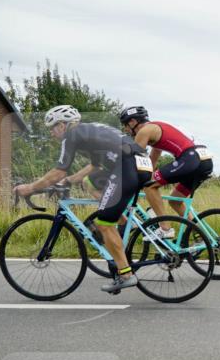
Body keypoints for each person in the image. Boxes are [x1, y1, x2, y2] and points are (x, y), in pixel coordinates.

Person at [12, 105, 153, 292]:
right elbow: (94, 166)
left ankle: (125, 274)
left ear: (62, 125)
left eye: (52, 128)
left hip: (126, 167)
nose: (52, 133)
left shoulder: (71, 136)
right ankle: (122, 221)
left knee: (103, 223)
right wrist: (69, 180)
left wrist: (29, 188)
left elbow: (58, 170)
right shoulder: (89, 131)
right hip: (141, 165)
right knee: (91, 183)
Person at [118, 106, 214, 237]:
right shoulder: (156, 128)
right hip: (204, 160)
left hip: (190, 158)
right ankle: (202, 236)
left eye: (125, 125)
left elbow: (135, 161)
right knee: (175, 201)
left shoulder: (144, 131)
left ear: (133, 122)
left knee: (149, 186)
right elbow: (150, 162)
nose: (125, 129)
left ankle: (165, 228)